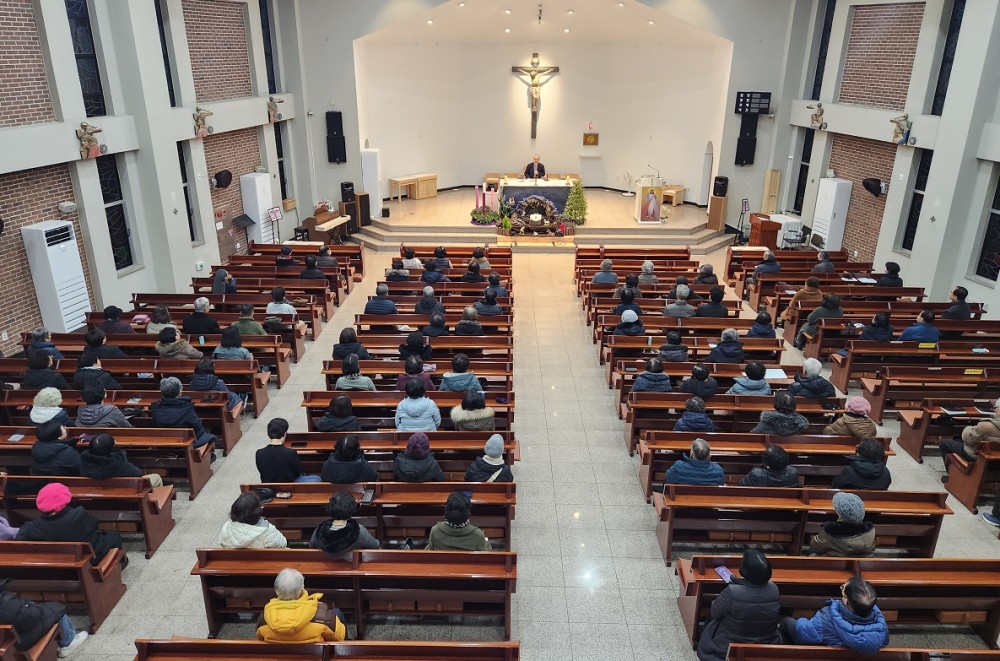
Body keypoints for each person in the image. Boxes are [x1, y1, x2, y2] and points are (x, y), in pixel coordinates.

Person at [695, 549, 782, 661]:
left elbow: (715, 612)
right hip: (765, 642)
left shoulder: (733, 591)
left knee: (713, 617)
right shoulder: (774, 589)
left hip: (729, 644)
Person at [17, 482, 122, 563]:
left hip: (57, 562)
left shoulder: (34, 527)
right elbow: (94, 523)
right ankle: (118, 564)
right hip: (87, 559)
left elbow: (21, 536)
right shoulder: (79, 514)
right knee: (114, 536)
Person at [780, 577, 889, 654]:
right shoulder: (881, 625)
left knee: (786, 621)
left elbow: (804, 633)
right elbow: (885, 641)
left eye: (843, 590)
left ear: (846, 600)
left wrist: (802, 620)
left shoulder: (826, 619)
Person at [256, 568, 346, 642]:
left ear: (276, 591)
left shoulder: (264, 618)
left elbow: (260, 638)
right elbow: (339, 637)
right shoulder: (323, 617)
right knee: (337, 612)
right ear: (301, 589)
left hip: (278, 656)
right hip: (314, 655)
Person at [0, 583, 88, 656]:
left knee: (46, 610)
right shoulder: (5, 605)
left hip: (7, 640)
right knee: (57, 609)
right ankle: (68, 643)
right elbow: (31, 617)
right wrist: (31, 606)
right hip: (17, 642)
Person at [939, 396, 1000, 483]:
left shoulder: (986, 426)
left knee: (944, 443)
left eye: (995, 408)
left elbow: (968, 439)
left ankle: (952, 477)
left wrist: (968, 428)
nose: (994, 410)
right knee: (959, 442)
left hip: (978, 457)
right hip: (997, 461)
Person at [150, 376, 217, 448]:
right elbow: (197, 425)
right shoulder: (186, 407)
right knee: (207, 434)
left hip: (164, 441)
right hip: (185, 442)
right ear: (179, 391)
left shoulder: (155, 407)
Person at [310, 491, 380, 559]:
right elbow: (375, 546)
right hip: (352, 565)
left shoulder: (319, 532)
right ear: (352, 508)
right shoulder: (359, 531)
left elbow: (311, 547)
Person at [809, 492, 876, 557]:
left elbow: (816, 547)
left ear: (840, 514)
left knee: (812, 553)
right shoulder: (871, 530)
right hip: (864, 563)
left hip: (835, 563)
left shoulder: (830, 533)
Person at [256, 417, 320, 483]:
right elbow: (298, 473)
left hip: (268, 487)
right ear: (284, 434)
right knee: (317, 478)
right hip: (289, 486)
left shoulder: (259, 453)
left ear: (268, 433)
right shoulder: (290, 453)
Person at [218, 491, 286, 548]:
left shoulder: (226, 527)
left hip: (233, 559)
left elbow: (223, 544)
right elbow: (283, 544)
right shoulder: (267, 530)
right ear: (257, 512)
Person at [427, 491, 491, 550]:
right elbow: (487, 554)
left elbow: (429, 552)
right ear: (467, 512)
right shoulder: (478, 535)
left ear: (447, 510)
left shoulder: (435, 531)